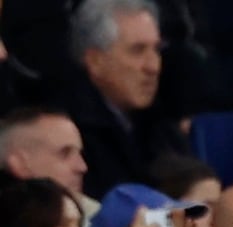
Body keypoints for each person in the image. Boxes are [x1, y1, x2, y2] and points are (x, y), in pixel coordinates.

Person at [60, 0, 188, 198]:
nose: (153, 67)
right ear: (95, 61)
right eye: (137, 51)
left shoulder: (161, 124)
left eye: (157, 50)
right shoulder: (68, 132)